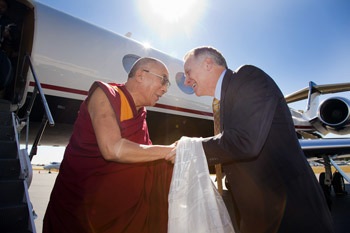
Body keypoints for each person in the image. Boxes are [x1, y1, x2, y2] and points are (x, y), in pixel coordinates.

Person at [167, 46, 335, 233]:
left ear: (208, 64)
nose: (187, 80)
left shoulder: (248, 77)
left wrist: (191, 148)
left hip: (292, 214)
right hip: (260, 216)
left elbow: (245, 142)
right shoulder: (225, 100)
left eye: (189, 72)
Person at [43, 57, 175, 233]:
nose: (165, 89)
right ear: (141, 75)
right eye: (164, 80)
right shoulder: (105, 94)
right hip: (82, 209)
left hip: (124, 213)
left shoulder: (140, 115)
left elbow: (147, 160)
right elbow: (112, 149)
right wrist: (171, 150)